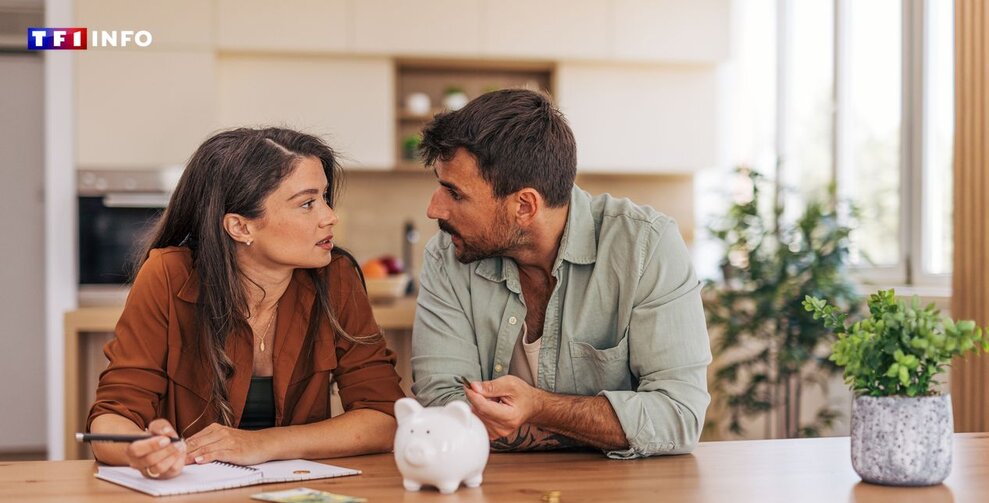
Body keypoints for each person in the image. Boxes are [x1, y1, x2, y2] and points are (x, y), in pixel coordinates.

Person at [88, 128, 405, 479]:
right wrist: (141, 449)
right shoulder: (167, 275)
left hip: (297, 500)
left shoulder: (337, 277)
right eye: (307, 203)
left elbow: (384, 419)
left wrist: (262, 444)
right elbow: (110, 420)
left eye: (325, 197)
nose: (330, 216)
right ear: (240, 227)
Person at [410, 89, 711, 458]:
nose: (433, 209)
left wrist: (540, 407)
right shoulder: (447, 257)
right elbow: (443, 406)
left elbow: (678, 417)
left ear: (524, 205)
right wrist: (602, 424)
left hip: (622, 498)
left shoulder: (645, 248)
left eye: (454, 194)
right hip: (491, 493)